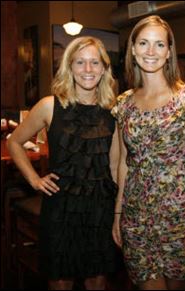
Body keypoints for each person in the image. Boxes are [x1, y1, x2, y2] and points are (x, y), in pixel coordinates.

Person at [7, 36, 119, 290]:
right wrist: (34, 180)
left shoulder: (114, 110)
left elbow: (114, 167)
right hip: (60, 208)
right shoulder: (49, 106)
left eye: (94, 62)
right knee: (60, 280)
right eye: (80, 62)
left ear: (104, 68)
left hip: (100, 208)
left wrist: (119, 213)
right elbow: (15, 142)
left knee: (97, 280)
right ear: (69, 66)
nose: (88, 70)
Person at [111, 15, 185, 290]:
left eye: (159, 45)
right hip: (136, 216)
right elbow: (124, 165)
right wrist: (118, 215)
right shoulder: (123, 104)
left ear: (169, 52)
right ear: (132, 49)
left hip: (179, 216)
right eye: (143, 43)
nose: (150, 52)